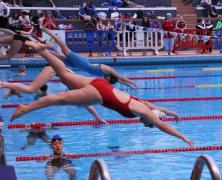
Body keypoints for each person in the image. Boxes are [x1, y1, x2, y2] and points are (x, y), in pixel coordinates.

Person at [11, 40, 193, 147]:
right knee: (58, 99)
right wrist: (184, 138)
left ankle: (43, 51)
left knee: (65, 75)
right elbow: (164, 126)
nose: (149, 126)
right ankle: (25, 109)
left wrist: (173, 113)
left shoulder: (144, 105)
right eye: (150, 124)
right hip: (100, 94)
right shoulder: (144, 112)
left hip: (102, 85)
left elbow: (158, 108)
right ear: (152, 118)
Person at [42, 27, 138, 89]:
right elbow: (121, 78)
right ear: (110, 78)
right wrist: (134, 84)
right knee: (65, 50)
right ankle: (49, 33)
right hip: (82, 63)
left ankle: (42, 46)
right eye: (108, 80)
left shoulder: (107, 76)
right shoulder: (108, 70)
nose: (106, 81)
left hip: (79, 66)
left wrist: (131, 87)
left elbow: (120, 81)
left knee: (57, 56)